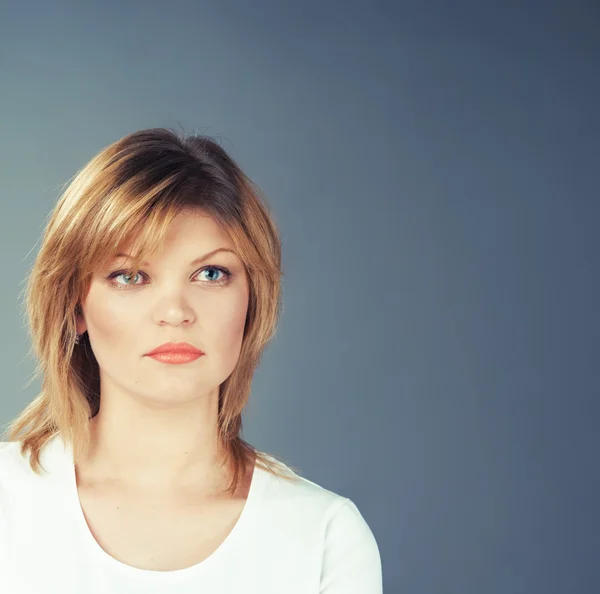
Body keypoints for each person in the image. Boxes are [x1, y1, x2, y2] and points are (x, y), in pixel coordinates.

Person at [0, 127, 383, 593]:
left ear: (252, 301)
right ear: (75, 306)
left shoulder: (323, 537)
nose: (176, 312)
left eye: (210, 273)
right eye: (131, 276)